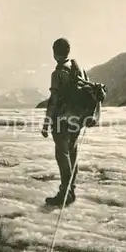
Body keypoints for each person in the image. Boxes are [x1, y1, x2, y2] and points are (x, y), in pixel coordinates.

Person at [41, 38, 87, 206]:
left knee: (62, 154)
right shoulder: (78, 69)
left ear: (55, 53)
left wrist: (46, 123)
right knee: (72, 152)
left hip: (62, 120)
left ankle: (64, 193)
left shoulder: (58, 73)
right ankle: (71, 191)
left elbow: (53, 100)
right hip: (77, 119)